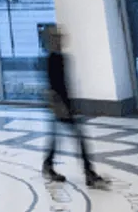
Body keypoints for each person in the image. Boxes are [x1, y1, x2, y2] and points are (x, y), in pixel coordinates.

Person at [42, 25, 109, 189]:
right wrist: (63, 107)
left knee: (57, 139)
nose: (60, 41)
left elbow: (64, 85)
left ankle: (49, 165)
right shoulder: (53, 59)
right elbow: (55, 86)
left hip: (63, 106)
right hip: (60, 107)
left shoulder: (61, 58)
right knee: (77, 138)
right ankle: (88, 172)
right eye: (57, 39)